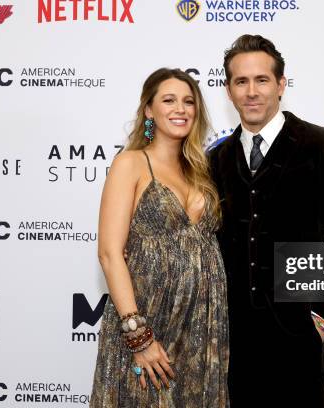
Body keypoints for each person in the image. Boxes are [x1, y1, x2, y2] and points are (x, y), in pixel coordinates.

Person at [209, 35, 324, 407]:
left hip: (298, 330)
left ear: (281, 84)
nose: (251, 92)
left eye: (261, 80)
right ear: (228, 91)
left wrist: (322, 315)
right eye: (240, 82)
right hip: (233, 335)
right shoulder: (216, 159)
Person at [91, 68, 229, 407]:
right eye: (168, 100)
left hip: (201, 326)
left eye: (188, 102)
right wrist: (139, 336)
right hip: (148, 318)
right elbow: (110, 253)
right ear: (149, 110)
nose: (180, 109)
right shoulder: (131, 163)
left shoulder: (201, 169)